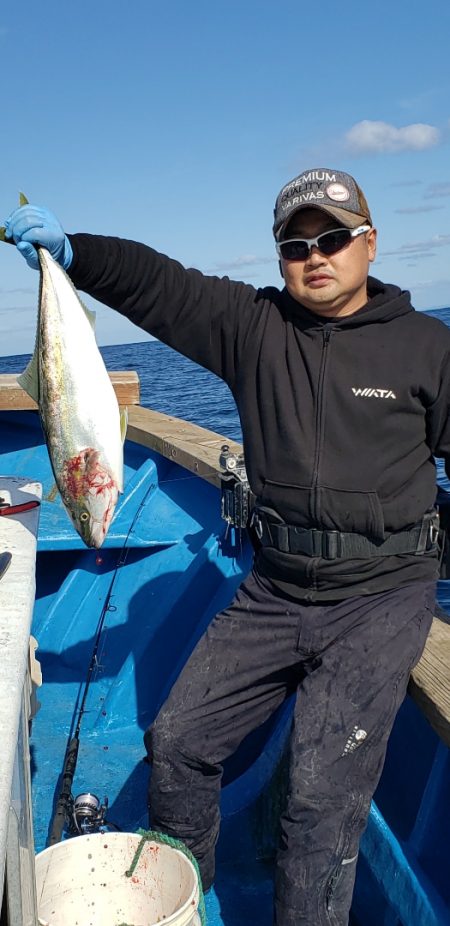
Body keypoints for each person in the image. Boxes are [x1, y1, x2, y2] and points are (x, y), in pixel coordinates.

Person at [5, 168, 450, 926]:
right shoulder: (253, 327)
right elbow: (160, 285)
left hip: (381, 596)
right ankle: (183, 894)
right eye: (295, 245)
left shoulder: (428, 347)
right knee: (178, 741)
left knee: (318, 801)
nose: (315, 256)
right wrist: (73, 251)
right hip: (276, 587)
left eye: (333, 238)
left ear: (369, 244)